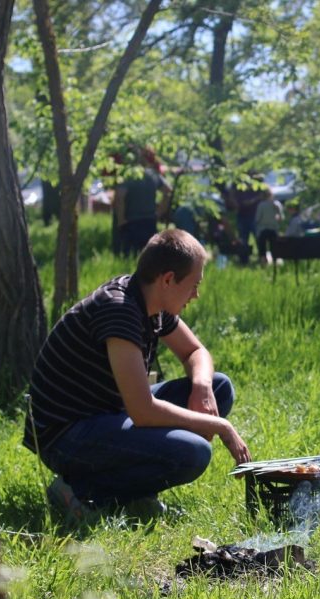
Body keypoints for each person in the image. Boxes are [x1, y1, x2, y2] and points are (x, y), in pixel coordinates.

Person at [26, 229, 251, 519]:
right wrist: (221, 425)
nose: (196, 295)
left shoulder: (150, 299)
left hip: (107, 412)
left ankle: (134, 493)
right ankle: (79, 489)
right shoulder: (119, 310)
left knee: (219, 388)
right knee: (194, 454)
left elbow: (196, 353)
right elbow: (143, 411)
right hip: (66, 435)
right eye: (194, 285)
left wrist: (201, 387)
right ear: (168, 279)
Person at [113, 148, 172, 256]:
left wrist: (121, 220)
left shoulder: (126, 175)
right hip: (150, 222)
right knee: (148, 259)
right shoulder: (153, 174)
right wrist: (159, 212)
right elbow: (168, 191)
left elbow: (119, 198)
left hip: (131, 223)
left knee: (129, 258)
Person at [254, 189, 283, 264]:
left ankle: (264, 263)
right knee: (274, 248)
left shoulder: (261, 205)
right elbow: (280, 218)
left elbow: (257, 218)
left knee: (262, 248)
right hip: (273, 229)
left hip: (263, 229)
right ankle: (275, 263)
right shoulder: (277, 204)